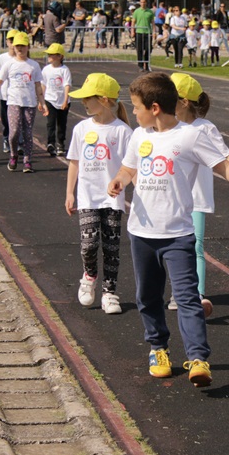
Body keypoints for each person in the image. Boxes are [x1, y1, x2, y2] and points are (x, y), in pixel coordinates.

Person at [107, 72, 229, 388]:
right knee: (148, 296)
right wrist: (120, 180)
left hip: (177, 235)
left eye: (136, 107)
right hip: (142, 233)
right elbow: (129, 168)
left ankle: (198, 358)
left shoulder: (190, 136)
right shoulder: (139, 136)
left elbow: (222, 166)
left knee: (187, 297)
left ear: (155, 108)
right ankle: (158, 349)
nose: (133, 113)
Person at [171, 73, 229, 317]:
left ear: (184, 102)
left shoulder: (205, 128)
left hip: (197, 197)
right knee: (172, 247)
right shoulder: (166, 126)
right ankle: (179, 290)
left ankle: (197, 295)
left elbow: (225, 156)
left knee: (196, 246)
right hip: (172, 197)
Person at [65, 73, 133, 314]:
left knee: (112, 248)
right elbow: (74, 162)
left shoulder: (123, 131)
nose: (83, 102)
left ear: (104, 100)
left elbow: (131, 167)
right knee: (89, 244)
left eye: (88, 98)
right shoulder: (81, 128)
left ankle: (109, 293)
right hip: (87, 197)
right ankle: (89, 275)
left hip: (112, 199)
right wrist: (70, 193)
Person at [0, 31, 47, 173]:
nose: (20, 49)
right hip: (13, 102)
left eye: (23, 46)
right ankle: (13, 154)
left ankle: (27, 160)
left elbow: (38, 85)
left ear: (28, 47)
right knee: (14, 132)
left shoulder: (34, 65)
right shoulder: (9, 64)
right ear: (13, 47)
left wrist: (42, 102)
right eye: (17, 46)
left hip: (29, 103)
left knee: (28, 133)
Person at [41, 43, 72, 156]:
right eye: (48, 54)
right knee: (50, 123)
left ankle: (61, 144)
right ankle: (51, 143)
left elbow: (67, 85)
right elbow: (43, 85)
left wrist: (65, 100)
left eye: (52, 54)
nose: (49, 56)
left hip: (62, 101)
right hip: (50, 100)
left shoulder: (64, 70)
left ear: (60, 56)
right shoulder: (46, 70)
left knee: (61, 124)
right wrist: (41, 101)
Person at [0, 29, 19, 155]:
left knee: (18, 120)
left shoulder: (22, 58)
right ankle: (6, 139)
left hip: (18, 95)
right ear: (7, 42)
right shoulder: (2, 58)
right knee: (6, 120)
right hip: (5, 95)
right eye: (11, 41)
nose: (13, 44)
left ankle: (19, 142)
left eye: (16, 41)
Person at [131, 0, 156, 72]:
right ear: (140, 3)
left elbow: (153, 23)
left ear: (146, 3)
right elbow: (133, 22)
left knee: (148, 48)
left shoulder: (150, 12)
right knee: (139, 49)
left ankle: (147, 64)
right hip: (139, 32)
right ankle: (141, 65)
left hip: (147, 33)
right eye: (141, 2)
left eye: (144, 2)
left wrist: (154, 32)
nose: (143, 4)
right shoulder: (137, 11)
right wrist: (132, 31)